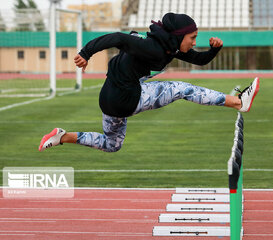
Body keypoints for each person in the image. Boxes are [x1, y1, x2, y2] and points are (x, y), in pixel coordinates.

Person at [38, 13, 259, 152]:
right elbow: (118, 37)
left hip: (108, 99)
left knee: (112, 144)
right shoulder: (151, 48)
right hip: (125, 98)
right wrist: (86, 53)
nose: (194, 42)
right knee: (182, 89)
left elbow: (199, 60)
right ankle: (238, 102)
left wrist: (214, 49)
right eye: (192, 37)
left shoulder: (168, 47)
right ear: (178, 36)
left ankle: (62, 136)